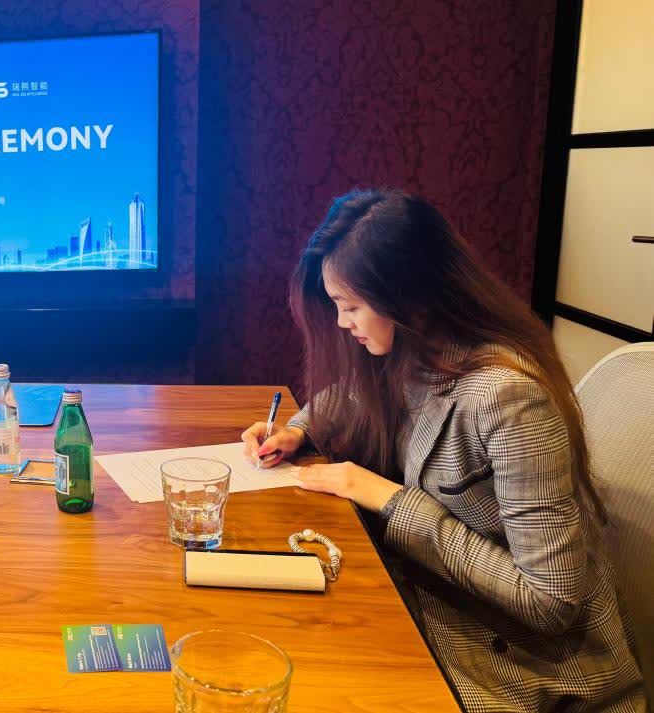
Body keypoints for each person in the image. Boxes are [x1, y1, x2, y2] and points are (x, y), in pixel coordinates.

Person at [241, 190, 645, 712]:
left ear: (410, 297)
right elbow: (348, 397)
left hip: (526, 665)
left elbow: (551, 600)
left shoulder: (506, 396)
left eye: (352, 307)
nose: (342, 323)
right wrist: (297, 432)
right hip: (440, 605)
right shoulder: (410, 350)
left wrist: (387, 498)